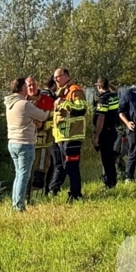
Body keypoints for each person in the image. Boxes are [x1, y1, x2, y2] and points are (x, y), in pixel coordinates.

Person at [5, 77, 49, 212]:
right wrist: (49, 109)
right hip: (24, 143)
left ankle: (15, 203)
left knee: (19, 175)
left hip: (13, 142)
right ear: (23, 88)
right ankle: (19, 206)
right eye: (26, 85)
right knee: (24, 176)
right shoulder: (24, 104)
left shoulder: (9, 103)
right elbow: (42, 116)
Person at [48, 67, 88, 201]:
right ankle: (54, 190)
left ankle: (76, 194)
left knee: (72, 166)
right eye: (54, 78)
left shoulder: (74, 90)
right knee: (62, 166)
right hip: (61, 136)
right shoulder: (60, 93)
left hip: (73, 135)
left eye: (58, 77)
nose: (55, 80)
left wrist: (64, 103)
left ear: (66, 76)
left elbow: (81, 108)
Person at [92, 78, 121, 189]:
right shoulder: (113, 96)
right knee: (109, 157)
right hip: (112, 130)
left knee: (106, 159)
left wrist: (97, 135)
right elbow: (115, 90)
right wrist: (109, 85)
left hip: (105, 132)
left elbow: (101, 118)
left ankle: (109, 183)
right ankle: (112, 180)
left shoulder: (103, 100)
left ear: (99, 87)